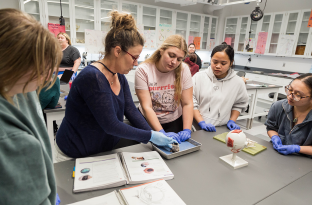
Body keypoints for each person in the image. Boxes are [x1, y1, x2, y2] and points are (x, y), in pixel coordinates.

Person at [56, 11, 176, 160]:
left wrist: (159, 134)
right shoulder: (92, 77)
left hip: (101, 152)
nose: (136, 63)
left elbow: (131, 110)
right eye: (134, 58)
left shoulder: (118, 75)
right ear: (118, 51)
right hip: (73, 154)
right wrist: (150, 135)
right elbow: (111, 125)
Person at [0, 9, 62, 205]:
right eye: (40, 69)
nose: (45, 77)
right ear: (13, 65)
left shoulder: (19, 89)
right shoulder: (8, 138)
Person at [135, 35, 194, 143]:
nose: (174, 62)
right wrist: (160, 132)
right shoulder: (144, 70)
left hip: (174, 120)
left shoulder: (183, 69)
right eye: (171, 55)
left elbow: (187, 103)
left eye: (179, 59)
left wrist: (186, 129)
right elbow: (147, 106)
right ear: (161, 50)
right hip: (148, 121)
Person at [192, 43, 249, 132]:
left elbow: (240, 104)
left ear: (231, 62)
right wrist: (201, 123)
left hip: (222, 128)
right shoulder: (198, 77)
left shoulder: (238, 82)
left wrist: (232, 120)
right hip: (197, 128)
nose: (218, 66)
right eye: (215, 62)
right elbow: (191, 102)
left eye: (223, 63)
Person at [265, 73, 312, 161]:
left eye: (298, 95)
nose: (290, 96)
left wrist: (297, 148)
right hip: (277, 155)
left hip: (305, 161)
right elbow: (271, 128)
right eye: (290, 90)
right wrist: (274, 137)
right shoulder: (278, 106)